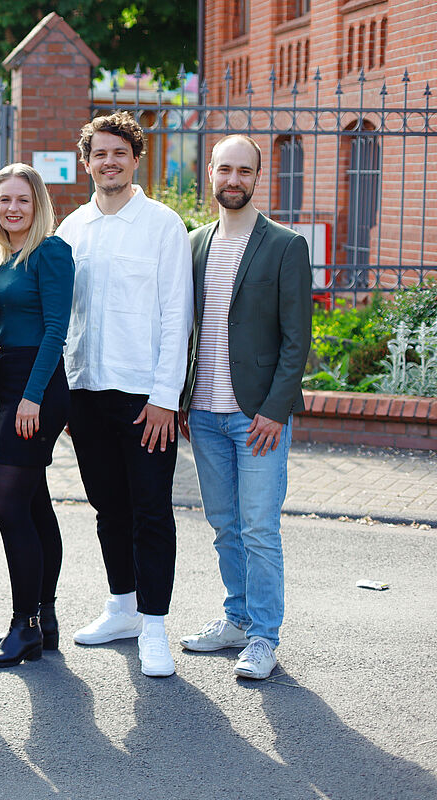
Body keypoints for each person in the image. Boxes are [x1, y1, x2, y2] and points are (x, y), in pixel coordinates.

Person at [55, 111, 192, 677]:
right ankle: (123, 608)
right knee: (107, 506)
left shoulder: (163, 225)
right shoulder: (72, 229)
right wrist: (65, 393)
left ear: (136, 159)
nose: (109, 162)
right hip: (86, 392)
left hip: (144, 399)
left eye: (119, 153)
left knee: (150, 511)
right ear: (86, 163)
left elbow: (177, 315)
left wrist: (165, 398)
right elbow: (62, 318)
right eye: (99, 154)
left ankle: (154, 626)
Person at [177, 135, 311, 680]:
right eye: (225, 169)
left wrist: (276, 410)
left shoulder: (285, 245)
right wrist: (182, 399)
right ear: (210, 172)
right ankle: (236, 619)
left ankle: (263, 637)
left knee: (258, 529)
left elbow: (297, 339)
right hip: (204, 414)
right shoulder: (193, 244)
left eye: (245, 171)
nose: (234, 180)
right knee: (225, 526)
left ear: (258, 176)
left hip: (258, 417)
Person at [0, 164, 73, 668]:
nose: (12, 208)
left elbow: (56, 330)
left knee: (8, 507)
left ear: (38, 205)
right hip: (4, 385)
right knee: (34, 505)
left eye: (22, 200)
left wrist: (31, 398)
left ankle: (24, 625)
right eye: (4, 200)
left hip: (37, 386)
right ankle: (44, 618)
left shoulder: (50, 253)